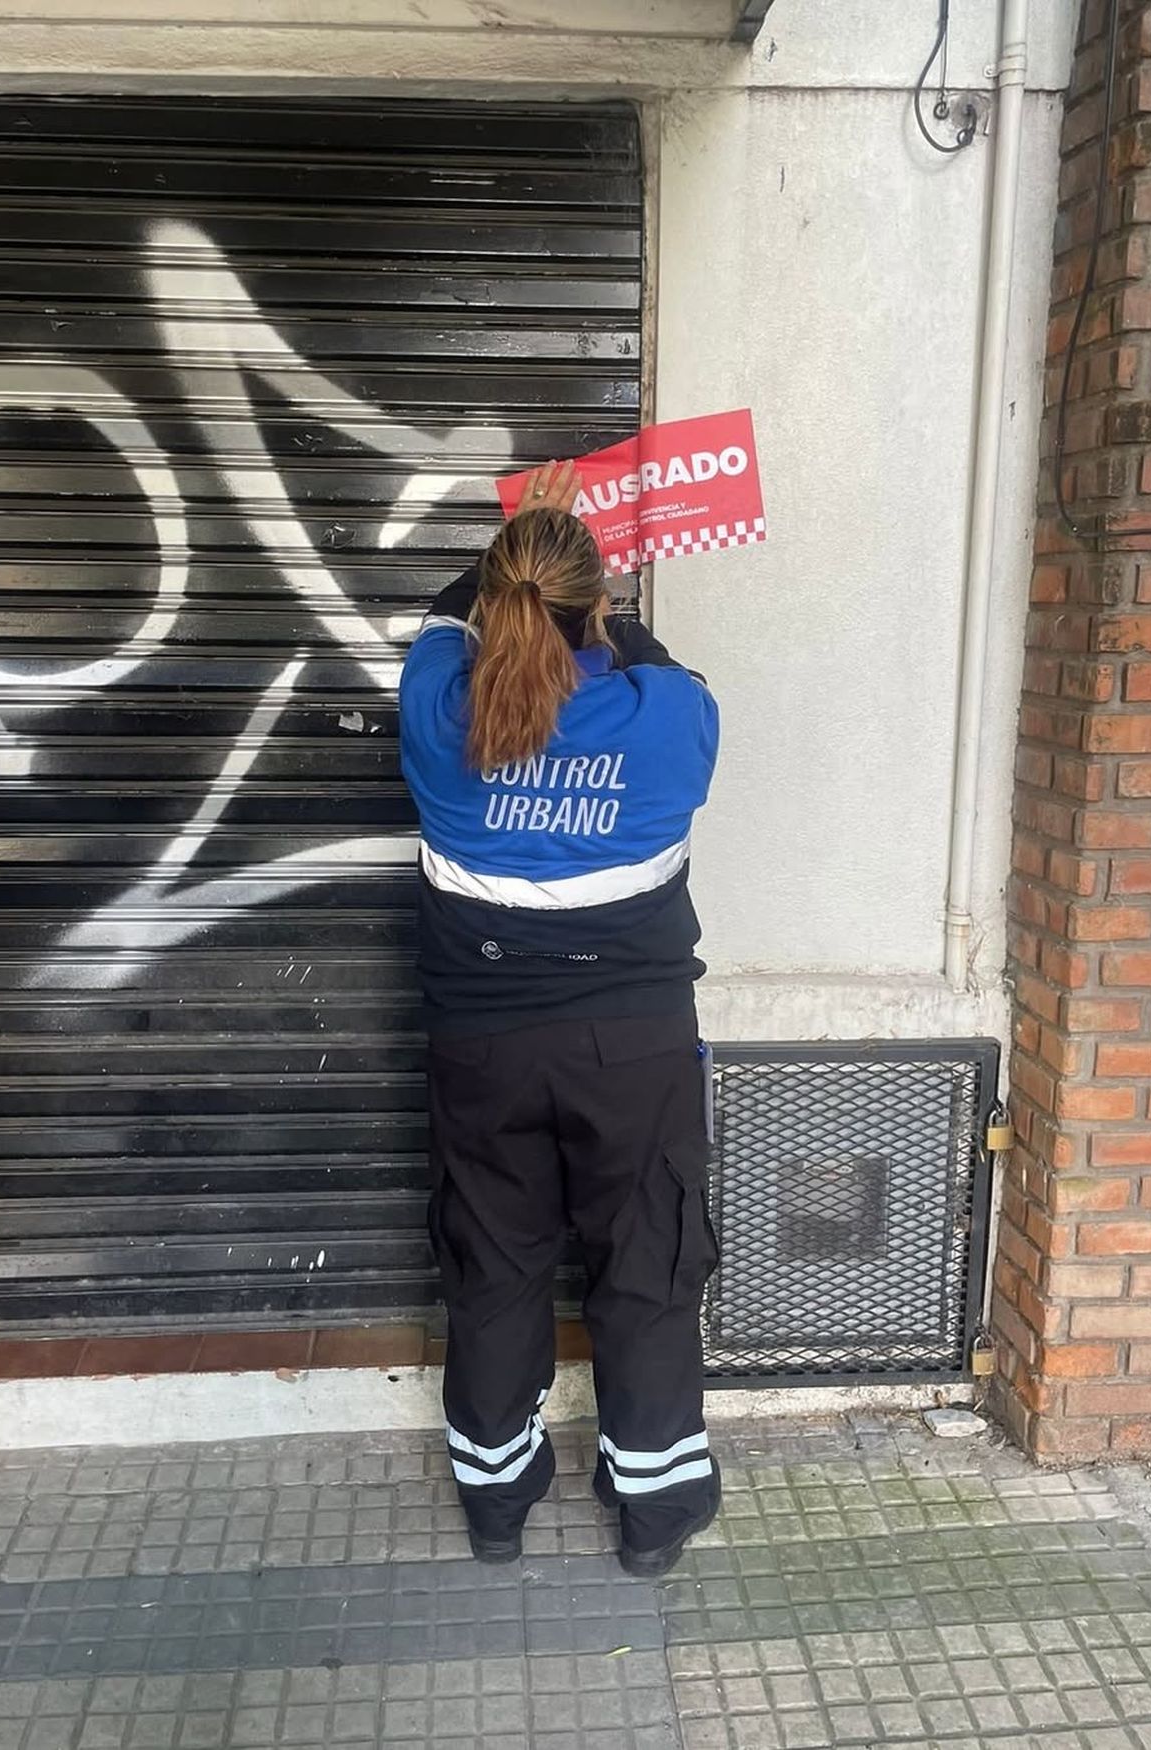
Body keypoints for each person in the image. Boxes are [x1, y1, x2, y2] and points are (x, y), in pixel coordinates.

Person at [398, 460, 721, 1579]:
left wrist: (519, 542)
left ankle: (495, 1503)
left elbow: (448, 618)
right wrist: (604, 600)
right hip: (630, 1046)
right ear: (595, 609)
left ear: (494, 603)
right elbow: (654, 667)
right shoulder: (667, 714)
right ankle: (653, 1518)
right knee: (647, 1262)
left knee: (493, 1266)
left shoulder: (438, 703)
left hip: (480, 1046)